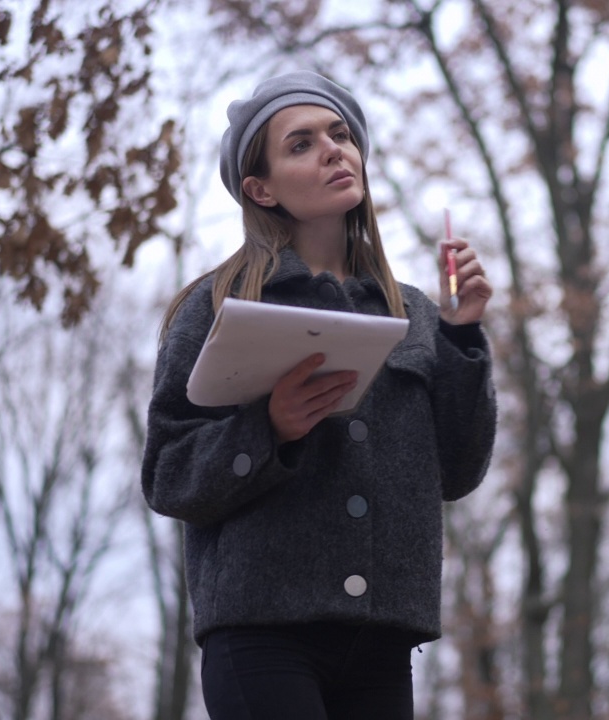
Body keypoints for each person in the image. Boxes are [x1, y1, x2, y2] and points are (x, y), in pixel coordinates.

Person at [141, 70, 497, 719]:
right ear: (261, 188)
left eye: (340, 135)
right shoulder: (217, 305)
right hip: (261, 637)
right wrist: (267, 431)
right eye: (301, 144)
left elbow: (460, 469)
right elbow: (169, 476)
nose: (334, 150)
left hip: (384, 641)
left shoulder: (416, 314)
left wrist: (463, 336)